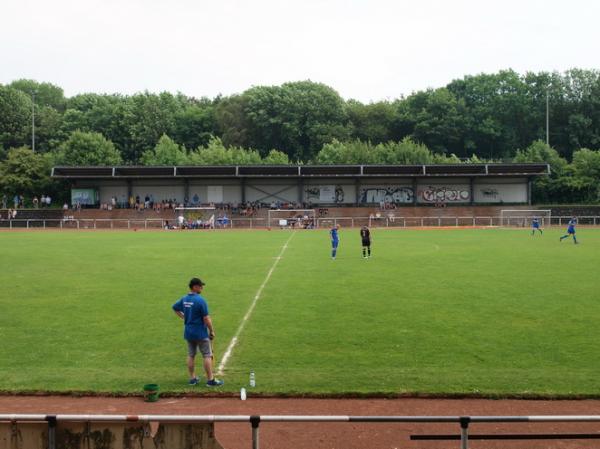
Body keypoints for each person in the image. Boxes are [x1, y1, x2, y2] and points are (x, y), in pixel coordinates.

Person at [172, 278, 224, 387]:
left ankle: (192, 378)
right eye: (200, 286)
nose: (202, 288)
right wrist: (212, 330)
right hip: (200, 332)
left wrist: (184, 317)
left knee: (191, 355)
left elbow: (175, 307)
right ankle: (210, 380)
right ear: (195, 287)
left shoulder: (185, 299)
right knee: (207, 355)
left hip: (188, 332)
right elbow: (206, 318)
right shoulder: (200, 300)